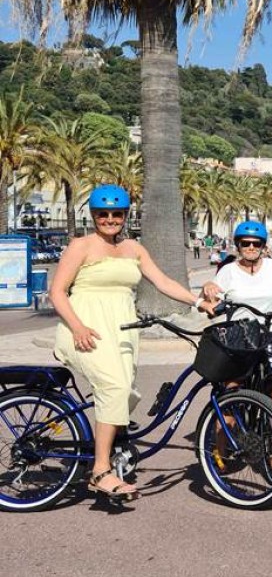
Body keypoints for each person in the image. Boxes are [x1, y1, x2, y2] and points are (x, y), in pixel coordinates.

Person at [50, 185, 203, 502]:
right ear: (93, 216)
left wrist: (198, 302)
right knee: (115, 388)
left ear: (125, 215)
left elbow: (163, 281)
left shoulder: (134, 248)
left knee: (127, 392)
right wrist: (77, 327)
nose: (110, 219)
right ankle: (100, 471)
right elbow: (57, 292)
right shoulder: (81, 246)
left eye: (116, 214)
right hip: (86, 328)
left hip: (122, 332)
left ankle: (112, 449)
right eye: (103, 214)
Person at [201, 220, 272, 468]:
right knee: (230, 391)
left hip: (271, 334)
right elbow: (210, 303)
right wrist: (207, 291)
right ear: (238, 245)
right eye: (245, 243)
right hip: (239, 337)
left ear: (263, 246)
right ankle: (220, 449)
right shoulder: (227, 271)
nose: (250, 247)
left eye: (256, 243)